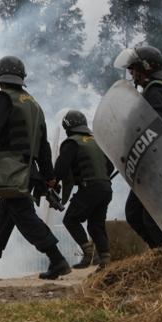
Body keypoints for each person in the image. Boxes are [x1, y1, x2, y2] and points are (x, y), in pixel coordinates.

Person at [0, 56, 71, 280]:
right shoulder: (33, 104)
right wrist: (48, 175)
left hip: (11, 171)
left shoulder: (3, 99)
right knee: (4, 216)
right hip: (28, 171)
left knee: (24, 217)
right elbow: (43, 145)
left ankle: (57, 259)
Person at [114, 45, 162, 248]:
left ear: (146, 67)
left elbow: (154, 129)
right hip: (157, 164)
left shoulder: (156, 90)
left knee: (151, 218)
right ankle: (161, 256)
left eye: (134, 68)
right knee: (136, 214)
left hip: (159, 164)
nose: (132, 74)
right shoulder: (159, 88)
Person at [50, 110, 114, 269]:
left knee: (71, 219)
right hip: (106, 188)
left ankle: (87, 253)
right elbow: (110, 166)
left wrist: (52, 183)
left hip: (89, 188)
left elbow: (61, 168)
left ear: (67, 127)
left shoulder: (71, 143)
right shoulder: (97, 141)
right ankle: (105, 261)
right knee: (96, 224)